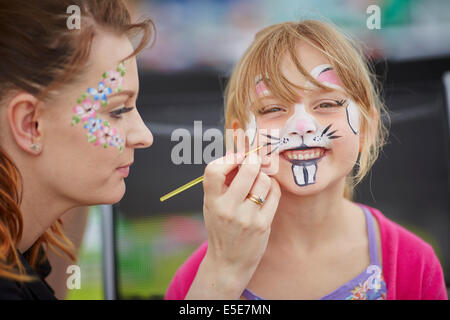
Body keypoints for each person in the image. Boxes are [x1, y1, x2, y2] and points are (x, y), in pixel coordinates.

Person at [165, 20, 447, 300]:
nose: (302, 126)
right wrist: (222, 274)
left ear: (366, 129)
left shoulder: (413, 264)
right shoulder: (202, 276)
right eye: (274, 108)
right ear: (240, 139)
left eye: (326, 104)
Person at [0, 0, 154, 299]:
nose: (144, 136)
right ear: (30, 123)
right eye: (118, 111)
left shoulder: (23, 254)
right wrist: (222, 273)